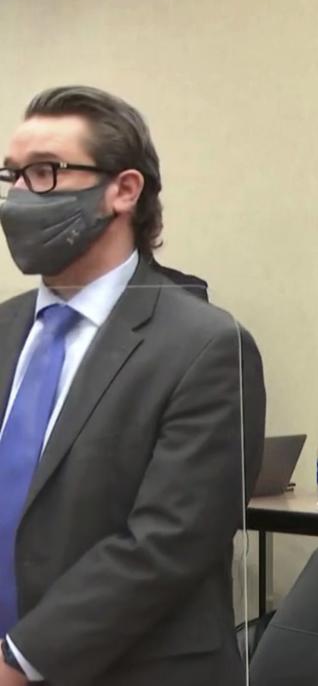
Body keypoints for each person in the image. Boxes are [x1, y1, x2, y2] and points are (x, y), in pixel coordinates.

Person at [0, 86, 266, 686]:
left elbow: (165, 543)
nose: (18, 197)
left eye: (43, 173)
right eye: (12, 175)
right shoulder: (5, 328)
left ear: (123, 190)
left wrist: (19, 660)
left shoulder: (207, 344)